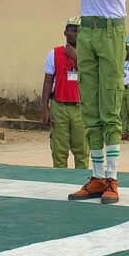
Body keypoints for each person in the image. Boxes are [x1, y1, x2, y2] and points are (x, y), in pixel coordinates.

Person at [53, 0, 129, 204]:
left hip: (111, 30)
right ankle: (97, 175)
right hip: (88, 30)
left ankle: (111, 177)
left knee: (109, 106)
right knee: (89, 105)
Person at [41, 17, 89, 169]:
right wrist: (45, 108)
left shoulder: (88, 56)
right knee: (59, 151)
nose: (76, 34)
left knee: (82, 150)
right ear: (65, 33)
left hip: (81, 108)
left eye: (80, 31)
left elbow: (91, 77)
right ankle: (60, 179)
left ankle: (81, 179)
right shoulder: (53, 54)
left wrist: (77, 56)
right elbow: (48, 81)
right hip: (59, 106)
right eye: (73, 31)